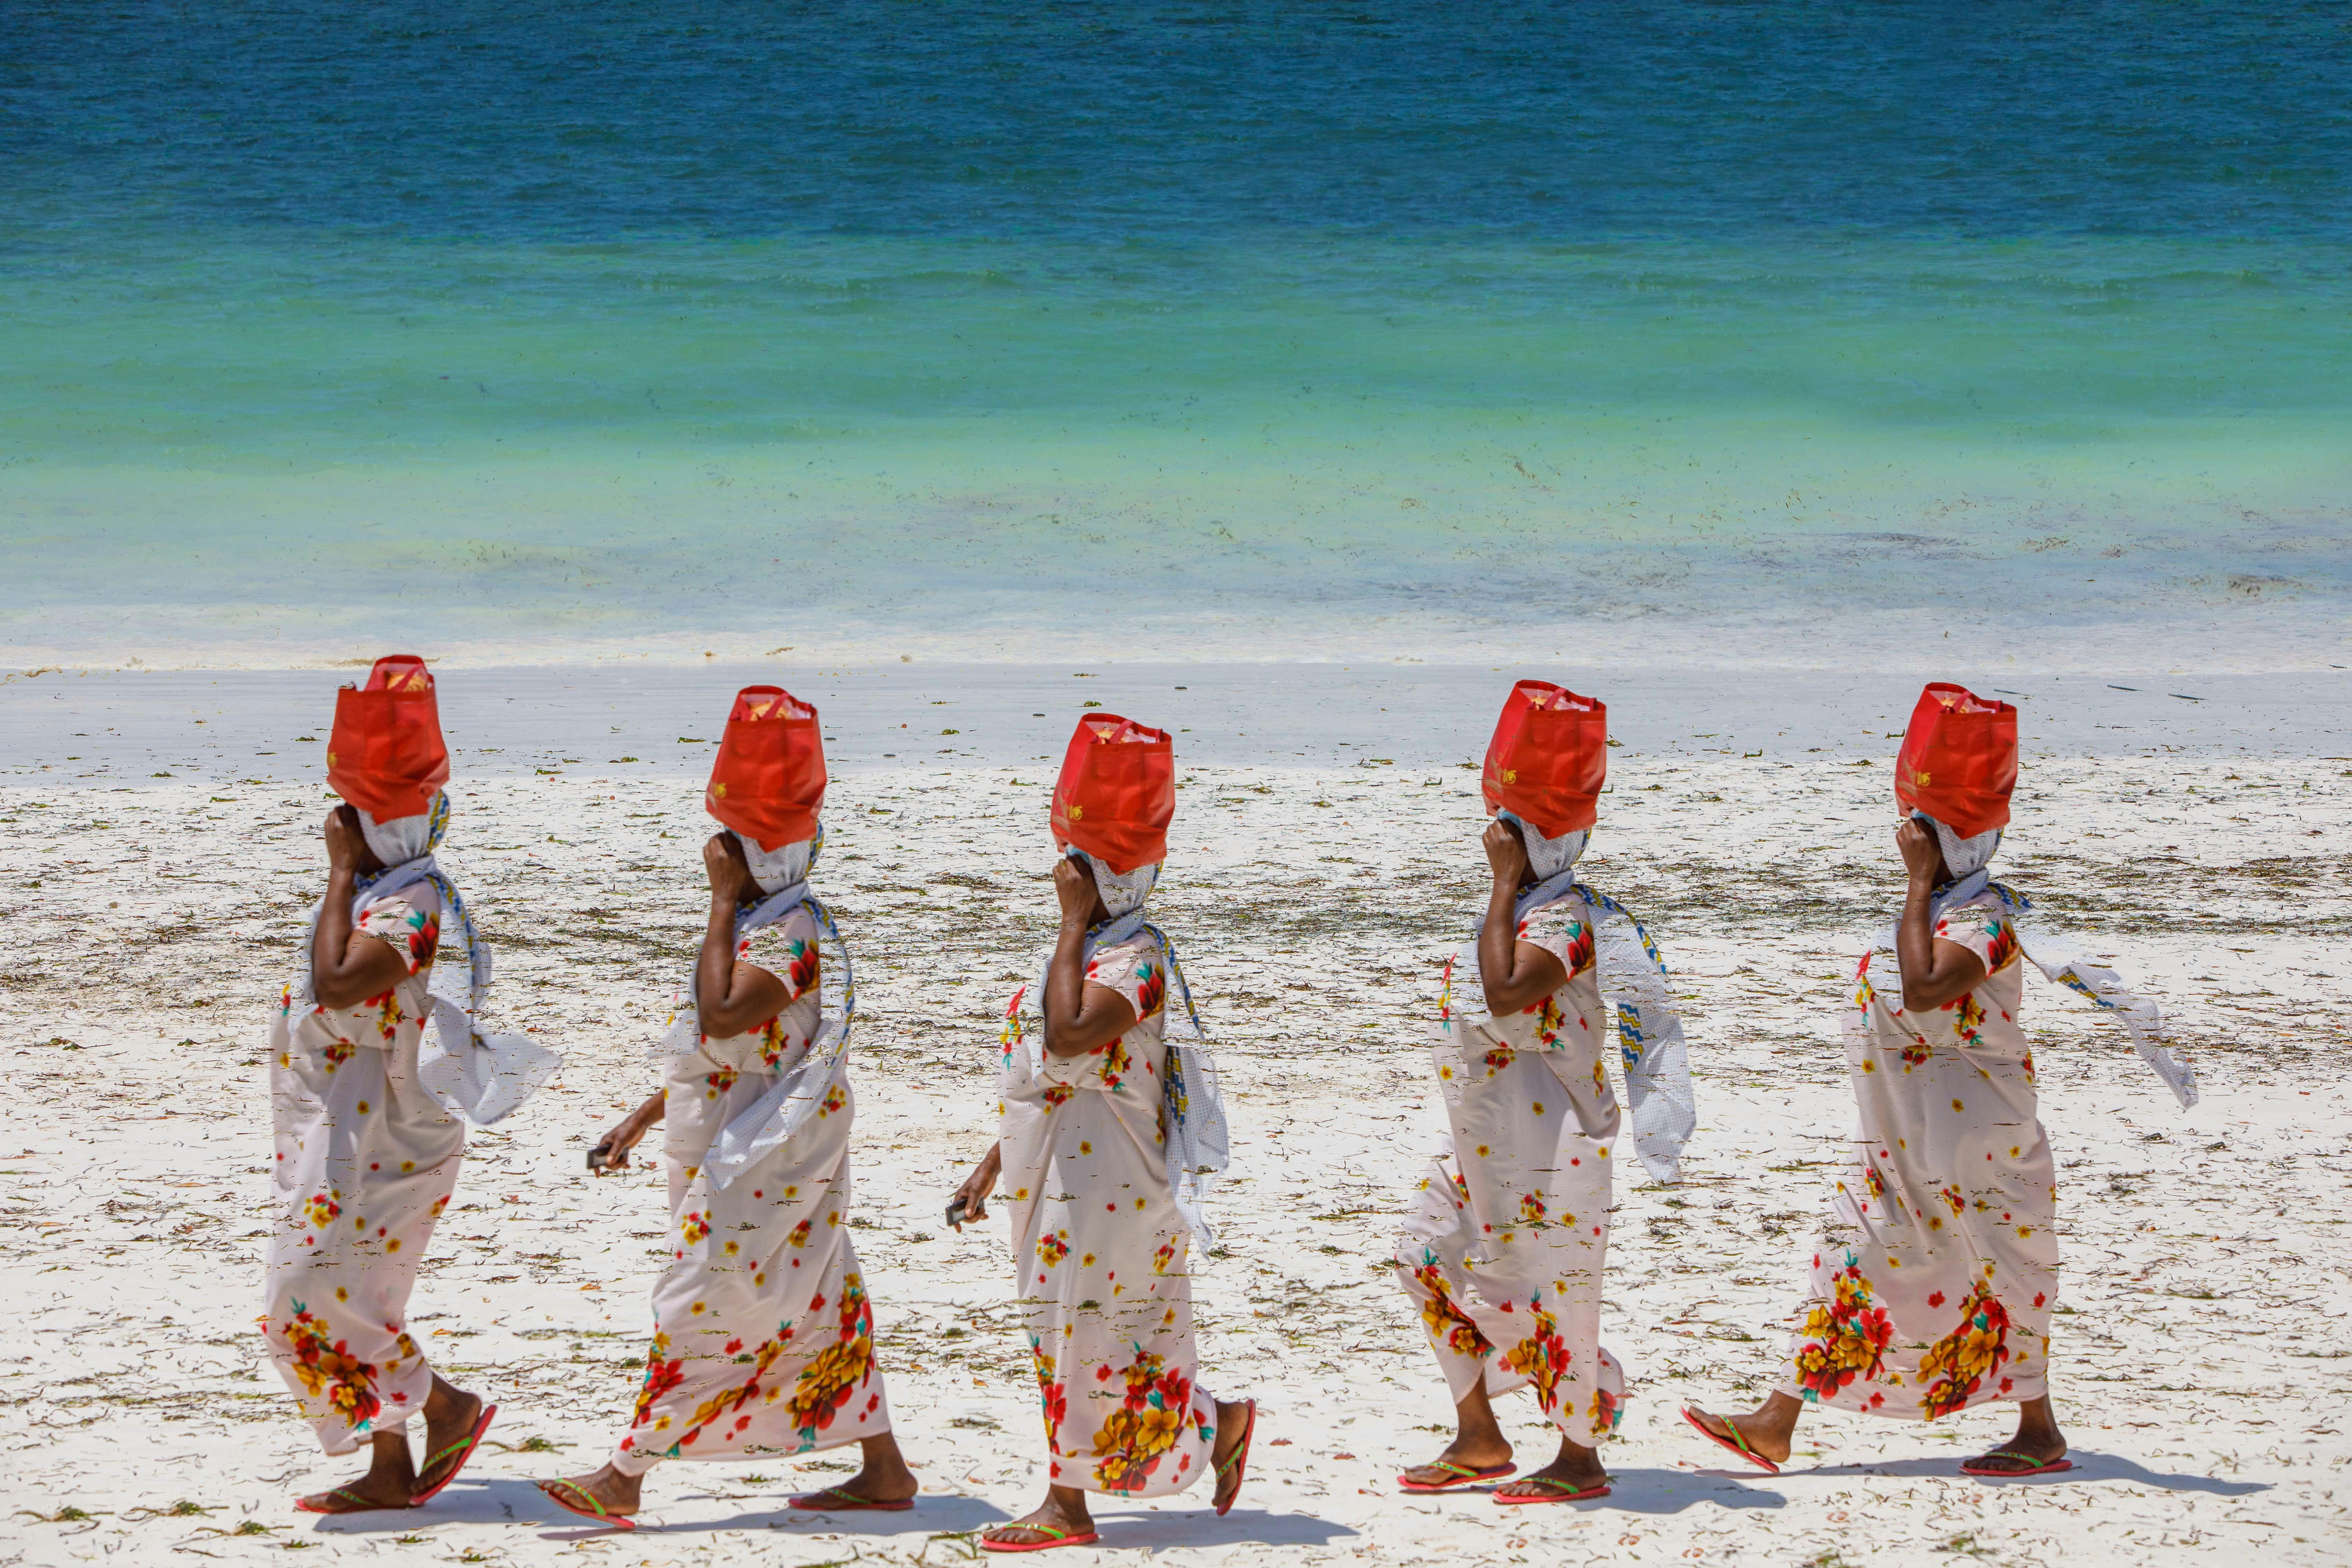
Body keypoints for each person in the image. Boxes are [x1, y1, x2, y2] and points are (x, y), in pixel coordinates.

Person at [1683, 682, 2196, 1478]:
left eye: (1916, 831)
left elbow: (1925, 987)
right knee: (1847, 1256)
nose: (1901, 838)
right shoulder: (1941, 909)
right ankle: (1777, 1419)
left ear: (1934, 838)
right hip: (1899, 1139)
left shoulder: (1981, 919)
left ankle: (2039, 1428)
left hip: (1977, 1142)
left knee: (2002, 1269)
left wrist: (1919, 879)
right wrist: (1921, 889)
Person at [539, 686, 912, 1530]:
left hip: (771, 1152)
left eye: (729, 844)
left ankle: (626, 1471)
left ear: (753, 854)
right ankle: (884, 1464)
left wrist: (716, 900)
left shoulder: (784, 933)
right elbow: (723, 1047)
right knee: (818, 1291)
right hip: (758, 1138)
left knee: (701, 1292)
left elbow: (721, 1017)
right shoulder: (764, 921)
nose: (713, 850)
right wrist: (642, 1116)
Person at [950, 714, 1254, 1553]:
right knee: (1099, 1335)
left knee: (1082, 1333)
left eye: (1082, 869)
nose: (1067, 877)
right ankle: (1217, 1423)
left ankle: (1068, 1505)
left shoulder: (1133, 958)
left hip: (1113, 1185)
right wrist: (990, 1165)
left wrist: (1072, 920)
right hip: (1061, 1176)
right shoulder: (1088, 953)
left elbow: (1067, 1039)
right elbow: (1044, 1077)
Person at [266, 655, 559, 1514]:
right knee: (357, 1293)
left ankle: (445, 1405)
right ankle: (389, 1465)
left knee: (304, 1298)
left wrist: (333, 868)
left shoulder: (406, 902)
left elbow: (335, 985)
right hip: (355, 1124)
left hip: (387, 1135)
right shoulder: (392, 886)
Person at [1391, 681, 1695, 1505]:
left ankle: (1579, 1454)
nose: (1490, 833)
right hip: (1483, 1135)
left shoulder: (1559, 917)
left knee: (1559, 1294)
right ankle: (1481, 1432)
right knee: (1420, 1253)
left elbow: (1504, 994)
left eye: (1505, 825)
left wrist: (1498, 882)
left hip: (1552, 1143)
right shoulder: (1532, 904)